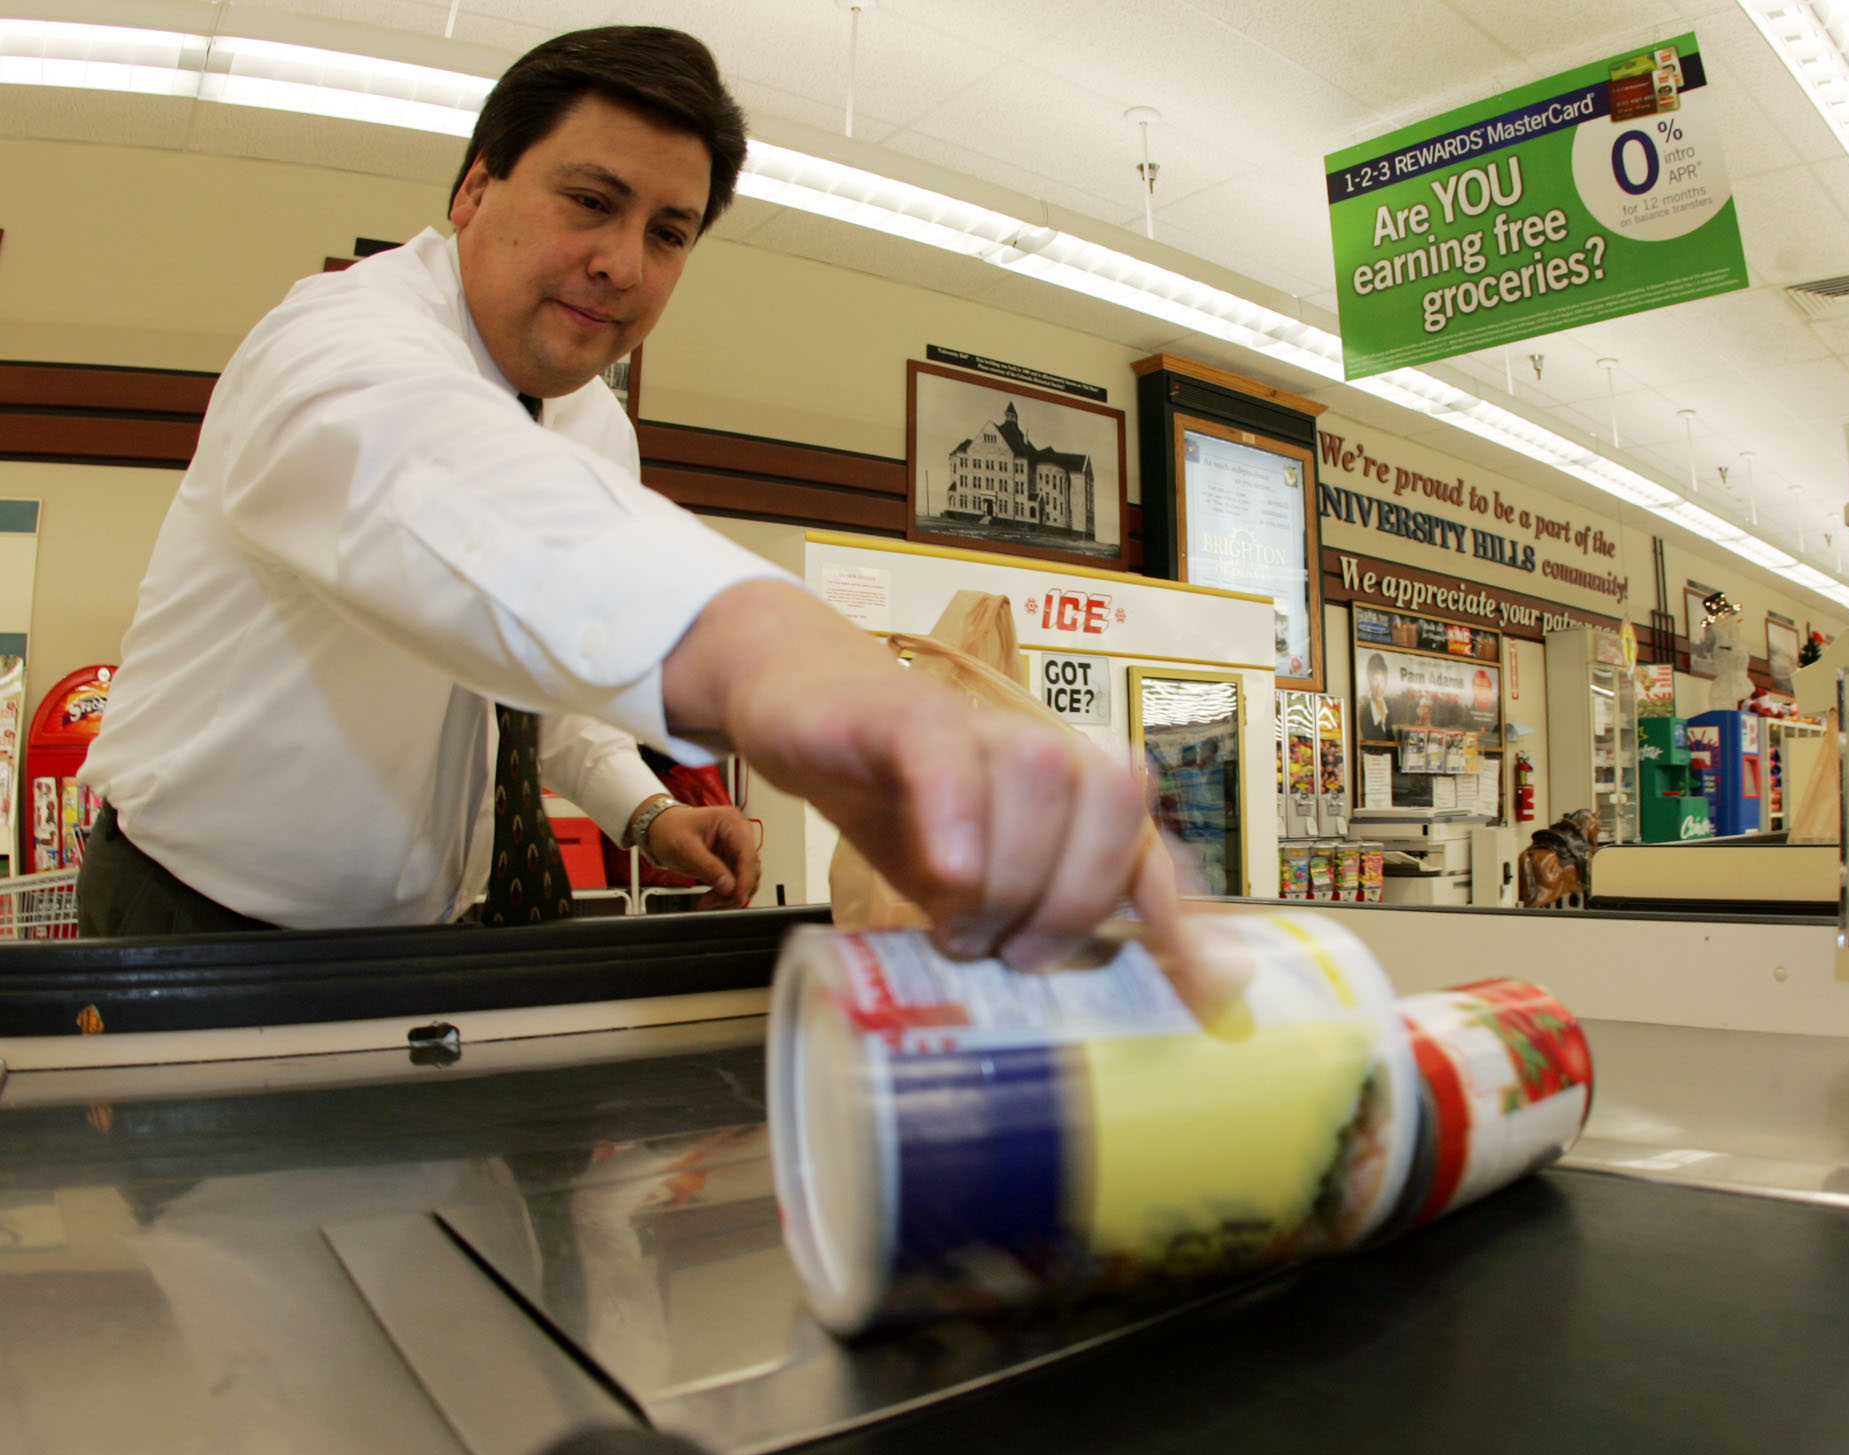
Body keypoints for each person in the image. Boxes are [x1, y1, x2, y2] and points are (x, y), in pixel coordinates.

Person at [76, 25, 1200, 988]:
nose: (623, 263)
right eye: (589, 201)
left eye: (667, 233)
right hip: (192, 922)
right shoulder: (331, 343)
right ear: (474, 191)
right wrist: (776, 656)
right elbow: (438, 485)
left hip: (417, 942)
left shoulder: (590, 423)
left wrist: (643, 810)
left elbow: (530, 654)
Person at [1359, 653, 1396, 743]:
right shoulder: (1364, 710)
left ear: (1386, 681)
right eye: (1375, 680)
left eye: (1381, 680)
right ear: (1370, 681)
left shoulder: (1391, 707)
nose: (1378, 685)